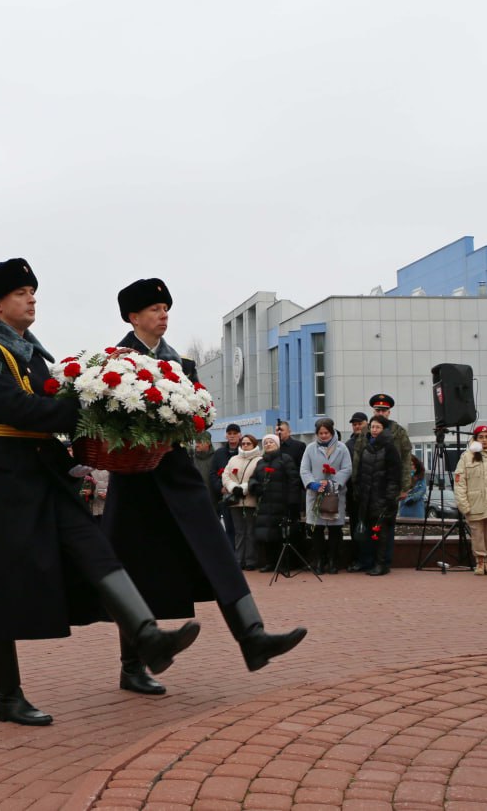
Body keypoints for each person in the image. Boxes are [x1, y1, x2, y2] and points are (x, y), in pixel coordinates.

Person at [0, 262, 206, 726]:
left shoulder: (31, 354)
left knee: (99, 551)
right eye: (21, 292)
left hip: (46, 474)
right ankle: (7, 694)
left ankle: (147, 637)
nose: (31, 299)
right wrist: (84, 408)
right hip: (5, 482)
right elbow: (17, 408)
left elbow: (43, 404)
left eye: (33, 291)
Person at [100, 277, 305, 696]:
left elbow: (196, 415)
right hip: (135, 476)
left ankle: (252, 637)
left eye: (166, 308)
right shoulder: (114, 363)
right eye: (154, 309)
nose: (164, 314)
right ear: (133, 316)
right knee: (136, 565)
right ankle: (132, 665)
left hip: (176, 472)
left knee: (216, 548)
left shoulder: (183, 364)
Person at [300, 418, 352, 574]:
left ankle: (333, 561)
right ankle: (319, 561)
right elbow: (304, 469)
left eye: (326, 433)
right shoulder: (310, 448)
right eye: (320, 433)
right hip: (316, 494)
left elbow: (347, 469)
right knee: (317, 529)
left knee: (335, 529)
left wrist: (333, 484)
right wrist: (312, 484)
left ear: (332, 432)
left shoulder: (342, 448)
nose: (323, 436)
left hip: (335, 494)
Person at [454, 425, 487, 575]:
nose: (484, 440)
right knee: (477, 534)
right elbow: (459, 482)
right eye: (481, 437)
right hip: (475, 503)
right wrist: (463, 505)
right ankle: (479, 562)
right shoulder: (467, 456)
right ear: (476, 439)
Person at [352, 416, 402, 576]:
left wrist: (390, 497)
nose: (374, 430)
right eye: (372, 427)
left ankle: (381, 564)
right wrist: (358, 488)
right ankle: (370, 562)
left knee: (381, 532)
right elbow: (360, 471)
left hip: (382, 497)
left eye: (377, 427)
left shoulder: (390, 448)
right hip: (367, 497)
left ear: (384, 430)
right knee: (368, 533)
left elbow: (394, 476)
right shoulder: (367, 447)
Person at [252, 433, 304, 575]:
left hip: (282, 504)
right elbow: (253, 478)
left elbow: (294, 481)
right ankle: (270, 562)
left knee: (282, 535)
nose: (268, 444)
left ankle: (284, 563)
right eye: (266, 442)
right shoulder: (260, 462)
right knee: (268, 535)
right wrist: (255, 486)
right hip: (265, 505)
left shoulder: (285, 459)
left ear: (277, 444)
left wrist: (292, 502)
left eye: (271, 442)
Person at [222, 434, 262, 569]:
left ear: (254, 444)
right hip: (235, 501)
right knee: (239, 532)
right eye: (243, 443)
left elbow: (257, 478)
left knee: (250, 531)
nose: (245, 446)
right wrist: (233, 488)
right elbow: (225, 476)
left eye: (248, 443)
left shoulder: (259, 460)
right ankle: (239, 560)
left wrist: (244, 488)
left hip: (250, 500)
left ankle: (251, 560)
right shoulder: (233, 459)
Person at [345, 411, 370, 571]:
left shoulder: (373, 441)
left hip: (371, 492)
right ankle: (357, 559)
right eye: (354, 424)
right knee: (356, 526)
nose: (357, 426)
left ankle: (370, 559)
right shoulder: (349, 444)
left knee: (370, 527)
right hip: (354, 493)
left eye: (359, 423)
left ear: (367, 423)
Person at [209, 423, 241, 541]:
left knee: (241, 530)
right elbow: (213, 473)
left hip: (241, 496)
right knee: (229, 529)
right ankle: (231, 556)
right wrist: (220, 488)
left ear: (240, 435)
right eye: (229, 433)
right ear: (226, 436)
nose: (232, 436)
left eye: (235, 433)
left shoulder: (244, 451)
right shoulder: (219, 453)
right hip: (225, 497)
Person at [397, 455, 427, 519]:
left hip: (417, 510)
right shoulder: (403, 477)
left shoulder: (420, 477)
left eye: (412, 464)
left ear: (416, 465)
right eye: (408, 464)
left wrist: (412, 499)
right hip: (404, 510)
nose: (411, 467)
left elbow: (422, 490)